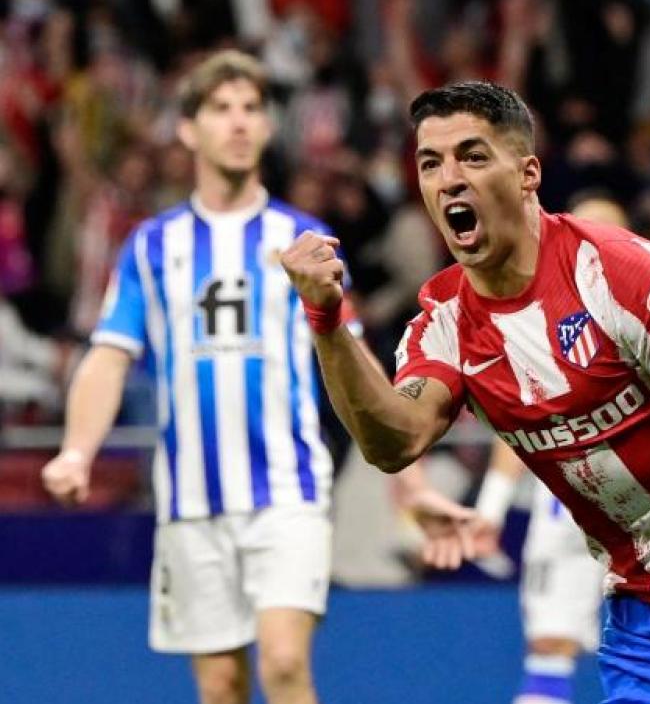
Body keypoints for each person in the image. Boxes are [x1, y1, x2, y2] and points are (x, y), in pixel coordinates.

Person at [282, 80, 650, 703]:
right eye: (430, 163)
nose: (450, 178)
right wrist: (326, 320)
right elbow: (393, 440)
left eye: (474, 155)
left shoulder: (615, 271)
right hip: (648, 608)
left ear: (528, 175)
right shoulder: (443, 322)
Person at [38, 50, 471, 704]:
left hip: (289, 493)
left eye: (251, 109)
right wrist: (77, 451)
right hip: (190, 502)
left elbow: (355, 363)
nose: (238, 123)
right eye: (221, 109)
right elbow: (109, 353)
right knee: (220, 688)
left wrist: (408, 485)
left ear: (268, 128)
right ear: (188, 130)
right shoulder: (153, 246)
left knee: (285, 663)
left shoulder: (303, 238)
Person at [473, 189, 623, 704]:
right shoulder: (531, 325)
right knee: (549, 648)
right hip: (567, 513)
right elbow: (520, 426)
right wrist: (490, 509)